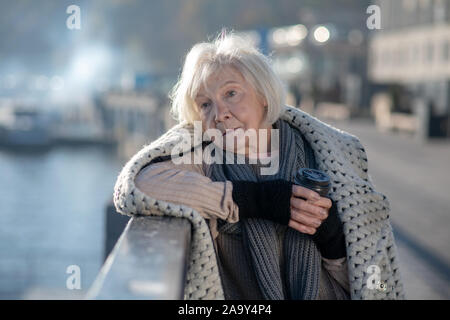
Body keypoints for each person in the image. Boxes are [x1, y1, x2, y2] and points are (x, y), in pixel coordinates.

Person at [113, 33, 405, 300]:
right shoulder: (204, 160)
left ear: (263, 96)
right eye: (205, 105)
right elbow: (136, 185)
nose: (220, 114)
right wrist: (256, 200)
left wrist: (334, 240)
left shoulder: (326, 158)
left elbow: (379, 286)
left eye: (231, 94)